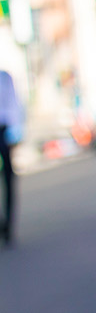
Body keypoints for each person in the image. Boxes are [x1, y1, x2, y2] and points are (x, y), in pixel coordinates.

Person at [0, 69, 20, 247]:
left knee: (8, 178)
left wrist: (16, 134)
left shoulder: (4, 77)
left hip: (2, 132)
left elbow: (13, 104)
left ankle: (8, 226)